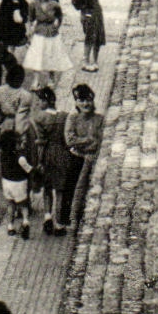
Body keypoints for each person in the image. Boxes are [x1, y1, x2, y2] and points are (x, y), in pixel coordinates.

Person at [27, 86, 74, 236]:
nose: (38, 103)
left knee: (47, 188)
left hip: (47, 154)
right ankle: (59, 224)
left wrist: (39, 161)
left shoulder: (39, 118)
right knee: (60, 190)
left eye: (40, 100)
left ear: (46, 101)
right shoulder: (65, 116)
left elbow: (40, 141)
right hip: (62, 155)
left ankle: (47, 217)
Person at [57, 84, 104, 233]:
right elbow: (70, 140)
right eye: (81, 101)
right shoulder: (73, 118)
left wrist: (84, 141)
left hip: (93, 159)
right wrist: (89, 140)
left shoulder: (99, 119)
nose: (85, 104)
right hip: (75, 157)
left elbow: (101, 140)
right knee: (70, 188)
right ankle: (65, 220)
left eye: (88, 100)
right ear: (76, 102)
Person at [22, 0, 69, 90]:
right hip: (39, 33)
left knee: (51, 55)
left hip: (51, 33)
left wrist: (56, 26)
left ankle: (51, 78)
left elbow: (59, 17)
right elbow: (30, 19)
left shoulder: (55, 5)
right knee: (37, 57)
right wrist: (29, 31)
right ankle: (36, 80)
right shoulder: (33, 4)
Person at [0, 128, 34, 240]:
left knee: (11, 204)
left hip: (6, 182)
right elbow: (28, 169)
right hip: (19, 183)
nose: (21, 144)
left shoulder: (3, 155)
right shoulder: (20, 157)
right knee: (23, 205)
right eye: (19, 142)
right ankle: (25, 222)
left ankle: (10, 226)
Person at [71, 0, 107, 72]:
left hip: (97, 10)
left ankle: (95, 61)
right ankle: (85, 60)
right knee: (90, 36)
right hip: (87, 11)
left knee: (98, 36)